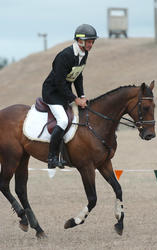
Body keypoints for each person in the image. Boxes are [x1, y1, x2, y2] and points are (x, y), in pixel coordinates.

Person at [42, 24, 98, 169]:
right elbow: (59, 83)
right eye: (89, 41)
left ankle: (67, 154)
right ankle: (52, 157)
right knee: (62, 120)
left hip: (64, 93)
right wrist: (75, 99)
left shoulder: (84, 53)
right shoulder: (64, 56)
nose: (91, 44)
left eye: (92, 42)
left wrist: (82, 96)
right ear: (80, 41)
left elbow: (78, 77)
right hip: (52, 93)